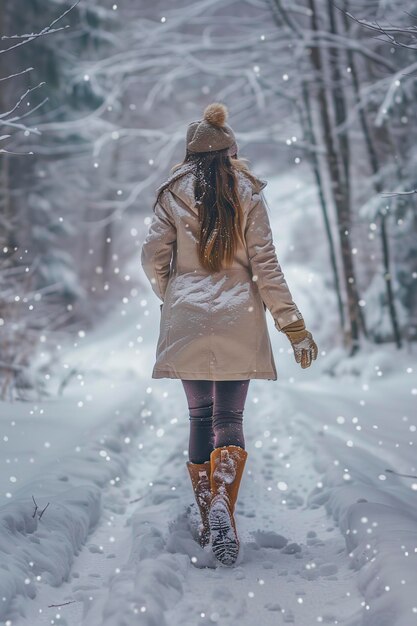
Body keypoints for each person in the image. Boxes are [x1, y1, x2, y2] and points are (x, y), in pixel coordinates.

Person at [140, 102, 318, 566]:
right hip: (238, 315)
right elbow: (266, 266)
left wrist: (173, 291)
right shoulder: (249, 192)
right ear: (230, 150)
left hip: (188, 317)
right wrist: (292, 325)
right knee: (229, 421)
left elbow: (151, 258)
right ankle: (224, 503)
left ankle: (208, 514)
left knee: (200, 419)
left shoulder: (170, 194)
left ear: (190, 154)